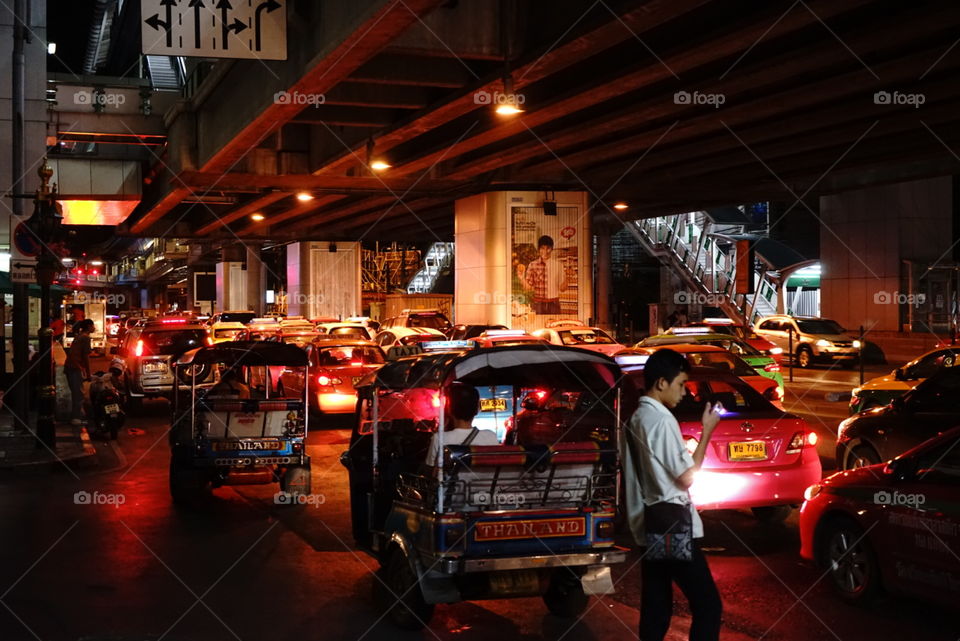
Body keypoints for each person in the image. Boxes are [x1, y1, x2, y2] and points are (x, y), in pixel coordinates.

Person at [623, 348, 723, 641]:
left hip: (648, 524)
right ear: (661, 384)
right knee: (708, 605)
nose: (684, 392)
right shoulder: (661, 420)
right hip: (672, 525)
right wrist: (707, 432)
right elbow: (686, 477)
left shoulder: (636, 417)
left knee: (657, 606)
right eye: (680, 384)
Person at [426, 382, 498, 466]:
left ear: (449, 409)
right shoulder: (491, 436)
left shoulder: (439, 438)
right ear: (477, 409)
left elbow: (431, 470)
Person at [517, 235, 570, 315]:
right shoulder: (532, 265)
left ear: (552, 249)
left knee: (554, 326)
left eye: (548, 248)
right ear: (539, 249)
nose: (545, 251)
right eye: (542, 248)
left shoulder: (558, 265)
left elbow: (563, 289)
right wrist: (521, 278)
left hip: (554, 304)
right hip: (538, 304)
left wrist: (568, 277)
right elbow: (528, 288)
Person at [64, 319, 94, 425]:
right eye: (93, 325)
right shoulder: (85, 338)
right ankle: (76, 418)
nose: (94, 328)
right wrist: (88, 373)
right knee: (78, 394)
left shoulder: (79, 336)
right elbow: (85, 357)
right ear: (89, 326)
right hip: (75, 367)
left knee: (76, 392)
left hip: (70, 367)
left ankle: (78, 416)